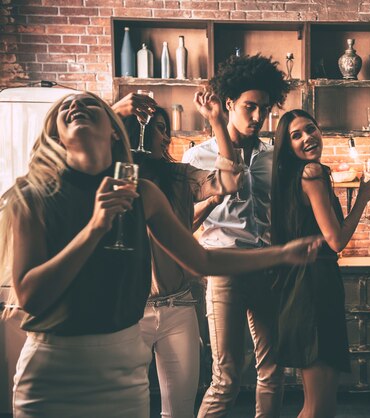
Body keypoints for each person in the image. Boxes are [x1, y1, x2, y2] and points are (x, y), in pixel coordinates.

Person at [1, 91, 321, 418]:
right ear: (55, 134)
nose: (76, 106)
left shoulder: (144, 191)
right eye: (67, 107)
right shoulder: (32, 194)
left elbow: (203, 260)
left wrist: (280, 254)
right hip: (51, 366)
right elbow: (30, 296)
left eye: (89, 105)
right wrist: (95, 228)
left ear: (113, 131)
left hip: (120, 366)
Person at [116, 91, 240, 418]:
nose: (163, 135)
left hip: (179, 306)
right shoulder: (111, 180)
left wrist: (217, 121)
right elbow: (60, 150)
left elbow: (229, 179)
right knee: (127, 408)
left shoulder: (179, 176)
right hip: (130, 312)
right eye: (153, 127)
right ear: (130, 132)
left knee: (180, 411)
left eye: (162, 127)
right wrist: (114, 111)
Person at [182, 54, 291, 418]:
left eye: (264, 108)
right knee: (226, 376)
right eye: (249, 107)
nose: (258, 117)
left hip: (264, 265)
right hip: (223, 268)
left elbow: (279, 213)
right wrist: (217, 195)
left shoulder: (273, 156)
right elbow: (186, 224)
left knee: (273, 371)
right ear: (228, 103)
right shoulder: (198, 157)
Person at [271, 109, 370, 417]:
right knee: (318, 407)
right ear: (287, 145)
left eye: (311, 129)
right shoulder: (311, 174)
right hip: (315, 289)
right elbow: (336, 240)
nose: (308, 137)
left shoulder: (296, 177)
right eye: (296, 135)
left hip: (307, 287)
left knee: (323, 404)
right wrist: (363, 198)